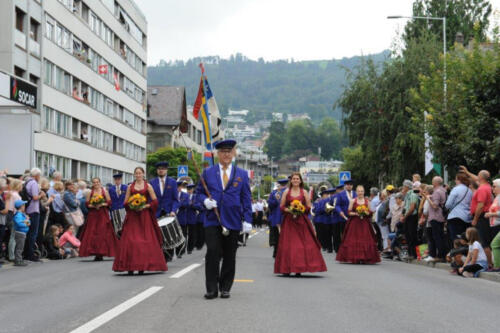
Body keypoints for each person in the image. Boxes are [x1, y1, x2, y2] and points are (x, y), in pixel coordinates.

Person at [195, 139, 252, 299]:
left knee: (229, 254)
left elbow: (246, 198)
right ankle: (211, 288)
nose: (226, 155)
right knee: (212, 252)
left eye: (229, 151)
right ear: (218, 154)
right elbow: (198, 193)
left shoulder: (241, 174)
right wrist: (205, 201)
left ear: (233, 153)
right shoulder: (208, 172)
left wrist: (247, 220)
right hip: (212, 219)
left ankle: (225, 286)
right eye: (223, 152)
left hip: (233, 220)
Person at [113, 167, 167, 275]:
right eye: (136, 173)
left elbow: (155, 201)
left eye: (140, 173)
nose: (138, 175)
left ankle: (143, 266)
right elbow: (125, 202)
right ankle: (130, 267)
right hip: (133, 216)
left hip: (144, 216)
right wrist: (132, 205)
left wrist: (146, 206)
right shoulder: (130, 187)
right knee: (130, 241)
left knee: (144, 240)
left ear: (143, 174)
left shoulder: (148, 186)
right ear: (134, 175)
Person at [274, 172, 327, 276]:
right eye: (294, 179)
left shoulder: (304, 192)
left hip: (301, 221)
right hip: (289, 221)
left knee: (300, 245)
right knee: (288, 245)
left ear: (300, 180)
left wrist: (300, 209)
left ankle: (299, 268)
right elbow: (282, 206)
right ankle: (286, 268)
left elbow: (308, 206)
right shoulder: (286, 192)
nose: (295, 180)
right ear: (291, 180)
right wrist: (290, 210)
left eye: (297, 179)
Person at [336, 185, 380, 264]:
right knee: (354, 239)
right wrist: (356, 213)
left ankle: (366, 257)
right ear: (356, 192)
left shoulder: (367, 201)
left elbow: (370, 212)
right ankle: (354, 257)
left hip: (365, 224)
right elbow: (349, 212)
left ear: (364, 192)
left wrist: (366, 212)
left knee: (366, 239)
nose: (360, 193)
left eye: (362, 191)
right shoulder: (353, 201)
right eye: (359, 191)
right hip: (355, 224)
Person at [460, 167, 494, 267]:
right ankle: (489, 263)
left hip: (481, 217)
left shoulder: (482, 189)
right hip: (483, 216)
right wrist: (467, 172)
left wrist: (475, 219)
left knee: (484, 241)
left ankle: (489, 264)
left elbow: (480, 205)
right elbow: (476, 178)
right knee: (484, 240)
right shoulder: (486, 186)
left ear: (481, 177)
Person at [79, 177, 118, 261]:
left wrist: (102, 204)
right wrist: (94, 205)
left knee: (103, 232)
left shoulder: (105, 191)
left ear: (100, 183)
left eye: (97, 182)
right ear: (92, 183)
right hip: (93, 215)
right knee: (93, 233)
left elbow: (109, 202)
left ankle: (102, 251)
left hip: (103, 214)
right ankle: (95, 252)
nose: (96, 184)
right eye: (94, 182)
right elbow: (87, 204)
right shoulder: (90, 192)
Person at [445, 172, 472, 241]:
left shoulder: (456, 189)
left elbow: (448, 204)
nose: (455, 181)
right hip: (467, 217)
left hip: (455, 216)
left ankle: (457, 251)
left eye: (456, 179)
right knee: (464, 239)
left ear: (459, 180)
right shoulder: (469, 190)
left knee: (456, 239)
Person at [426, 177, 447, 262]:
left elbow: (435, 206)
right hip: (441, 217)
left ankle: (440, 256)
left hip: (435, 216)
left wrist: (428, 198)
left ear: (435, 183)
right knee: (440, 236)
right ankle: (442, 255)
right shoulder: (444, 190)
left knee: (437, 237)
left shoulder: (437, 192)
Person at [267, 179, 289, 258]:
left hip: (278, 217)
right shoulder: (276, 193)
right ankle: (281, 253)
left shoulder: (275, 193)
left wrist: (276, 200)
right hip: (283, 217)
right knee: (284, 237)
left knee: (277, 237)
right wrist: (276, 200)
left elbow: (270, 205)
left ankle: (277, 253)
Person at [400, 179, 420, 259]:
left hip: (412, 217)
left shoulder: (413, 194)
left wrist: (405, 216)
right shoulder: (407, 195)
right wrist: (402, 215)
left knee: (412, 235)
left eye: (404, 186)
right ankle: (410, 253)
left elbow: (412, 208)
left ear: (407, 187)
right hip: (407, 217)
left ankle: (414, 254)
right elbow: (405, 207)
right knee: (407, 235)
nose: (403, 188)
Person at [485, 179, 500, 271]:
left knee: (495, 244)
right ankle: (497, 265)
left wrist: (491, 214)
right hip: (494, 225)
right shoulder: (497, 197)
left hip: (498, 224)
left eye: (494, 186)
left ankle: (497, 266)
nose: (492, 188)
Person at [13, 200, 30, 266]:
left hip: (23, 233)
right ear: (21, 207)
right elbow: (18, 223)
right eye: (24, 205)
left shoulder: (22, 214)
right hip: (20, 233)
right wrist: (26, 224)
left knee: (21, 247)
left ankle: (19, 259)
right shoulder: (18, 215)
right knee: (19, 248)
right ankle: (18, 261)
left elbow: (28, 222)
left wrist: (27, 221)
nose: (24, 207)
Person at [175, 180, 190, 258]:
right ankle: (173, 251)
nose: (178, 188)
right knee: (175, 235)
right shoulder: (172, 195)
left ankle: (180, 251)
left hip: (182, 218)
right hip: (173, 218)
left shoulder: (186, 195)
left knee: (182, 235)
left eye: (179, 187)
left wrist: (179, 204)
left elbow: (187, 204)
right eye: (177, 187)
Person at [185, 184, 198, 254]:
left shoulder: (196, 197)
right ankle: (182, 249)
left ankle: (190, 248)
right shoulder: (185, 196)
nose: (189, 191)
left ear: (193, 190)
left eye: (190, 189)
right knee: (183, 234)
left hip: (192, 217)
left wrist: (192, 205)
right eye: (188, 189)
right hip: (185, 217)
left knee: (191, 234)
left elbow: (199, 206)